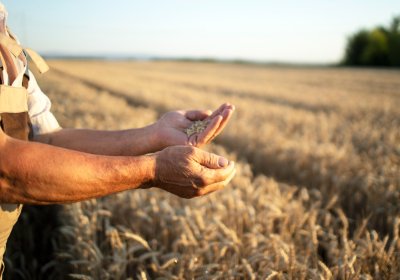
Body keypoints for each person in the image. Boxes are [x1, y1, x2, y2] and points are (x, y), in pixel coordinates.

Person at [0, 3, 236, 278]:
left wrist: (155, 134)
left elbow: (47, 139)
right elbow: (4, 169)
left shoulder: (8, 37)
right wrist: (153, 171)